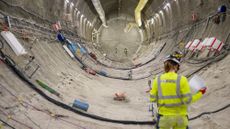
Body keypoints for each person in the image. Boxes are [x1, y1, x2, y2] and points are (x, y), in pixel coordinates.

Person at [150, 54, 206, 129]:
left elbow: (152, 99)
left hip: (164, 117)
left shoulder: (158, 79)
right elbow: (188, 101)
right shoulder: (182, 80)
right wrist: (200, 93)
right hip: (180, 118)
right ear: (176, 66)